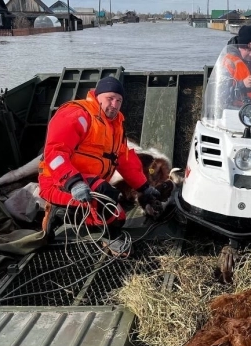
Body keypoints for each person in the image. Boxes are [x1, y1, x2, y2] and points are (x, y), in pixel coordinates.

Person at [38, 76, 161, 251]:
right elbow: (55, 154)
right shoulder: (78, 114)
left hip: (89, 184)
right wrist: (74, 182)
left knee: (113, 212)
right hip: (58, 182)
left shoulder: (115, 125)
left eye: (119, 100)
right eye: (110, 98)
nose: (114, 104)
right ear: (97, 96)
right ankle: (109, 237)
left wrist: (144, 188)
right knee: (112, 208)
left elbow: (124, 160)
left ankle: (61, 213)